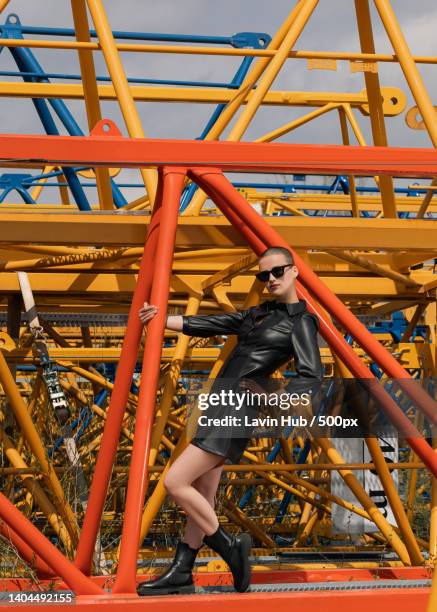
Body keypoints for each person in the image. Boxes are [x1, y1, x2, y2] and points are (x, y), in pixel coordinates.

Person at [136, 246, 323, 596]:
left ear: (294, 271)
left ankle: (229, 546)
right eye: (263, 275)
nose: (270, 280)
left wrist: (271, 396)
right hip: (219, 404)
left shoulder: (301, 322)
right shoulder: (257, 315)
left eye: (277, 272)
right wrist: (160, 318)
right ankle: (182, 570)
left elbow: (311, 376)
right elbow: (208, 324)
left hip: (238, 408)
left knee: (175, 481)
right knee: (203, 492)